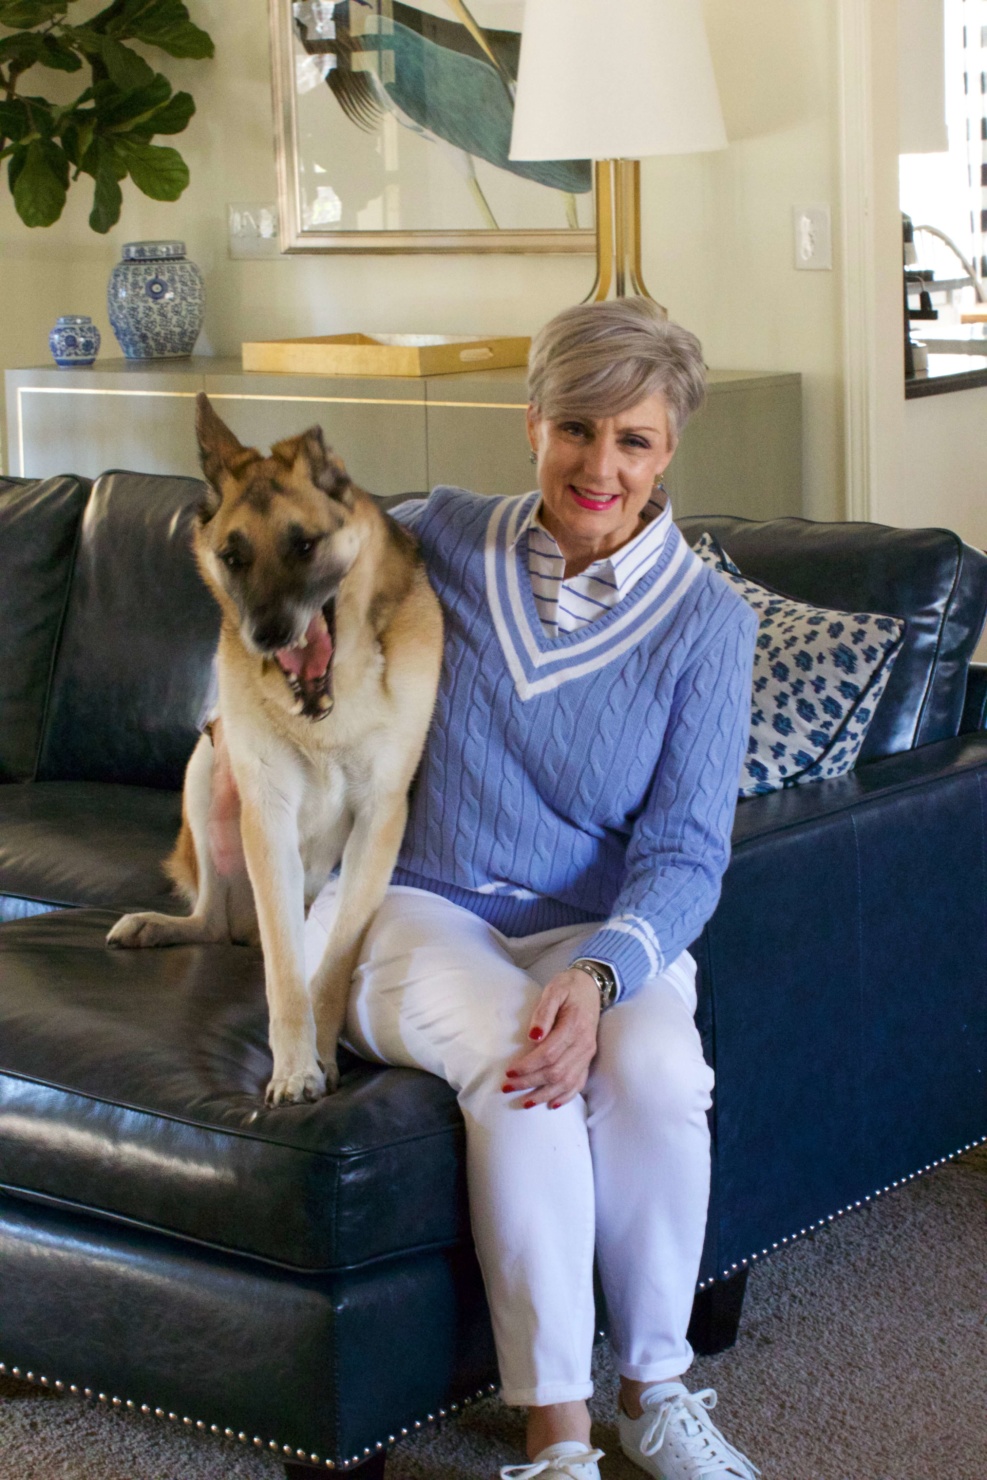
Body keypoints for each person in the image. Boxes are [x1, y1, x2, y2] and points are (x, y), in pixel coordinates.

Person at [212, 297, 761, 1479]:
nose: (598, 466)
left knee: (662, 1070)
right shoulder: (441, 539)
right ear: (530, 424)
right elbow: (284, 575)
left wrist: (604, 975)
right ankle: (557, 1434)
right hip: (415, 907)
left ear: (670, 451)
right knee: (524, 1062)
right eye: (576, 429)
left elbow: (685, 855)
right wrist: (235, 739)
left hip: (599, 925)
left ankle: (654, 1391)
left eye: (632, 440)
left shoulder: (707, 626)